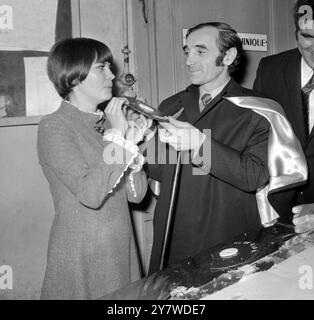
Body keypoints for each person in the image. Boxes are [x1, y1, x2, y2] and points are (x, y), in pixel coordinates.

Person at [146, 22, 307, 275]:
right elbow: (157, 172)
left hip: (227, 236)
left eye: (201, 52)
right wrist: (140, 141)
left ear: (228, 56)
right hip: (175, 235)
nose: (189, 60)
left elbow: (253, 176)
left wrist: (200, 145)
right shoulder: (170, 106)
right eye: (187, 51)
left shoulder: (257, 110)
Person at [37, 37, 151, 299]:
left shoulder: (110, 126)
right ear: (75, 77)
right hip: (83, 254)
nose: (112, 75)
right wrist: (120, 140)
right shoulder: (54, 126)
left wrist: (130, 141)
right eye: (102, 68)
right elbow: (90, 192)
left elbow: (137, 195)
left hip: (120, 246)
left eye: (109, 67)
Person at [253, 0, 314, 228]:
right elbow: (256, 135)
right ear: (296, 33)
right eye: (308, 36)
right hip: (277, 212)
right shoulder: (270, 68)